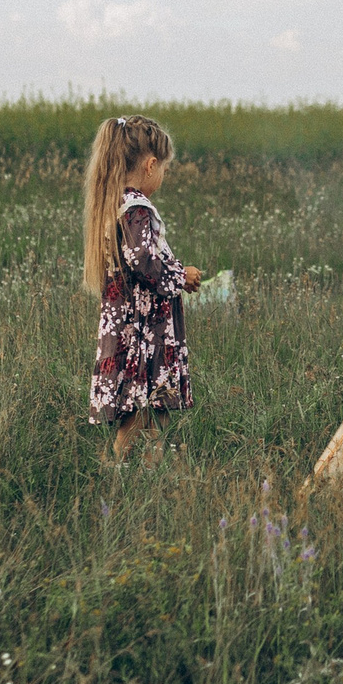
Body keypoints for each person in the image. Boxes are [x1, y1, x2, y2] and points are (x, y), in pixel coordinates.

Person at [82, 113, 202, 461]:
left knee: (146, 411)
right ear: (150, 165)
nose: (163, 175)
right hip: (144, 331)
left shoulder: (115, 204)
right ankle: (129, 470)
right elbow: (142, 261)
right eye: (164, 168)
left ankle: (146, 472)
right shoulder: (137, 209)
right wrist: (181, 275)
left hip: (132, 326)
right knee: (144, 408)